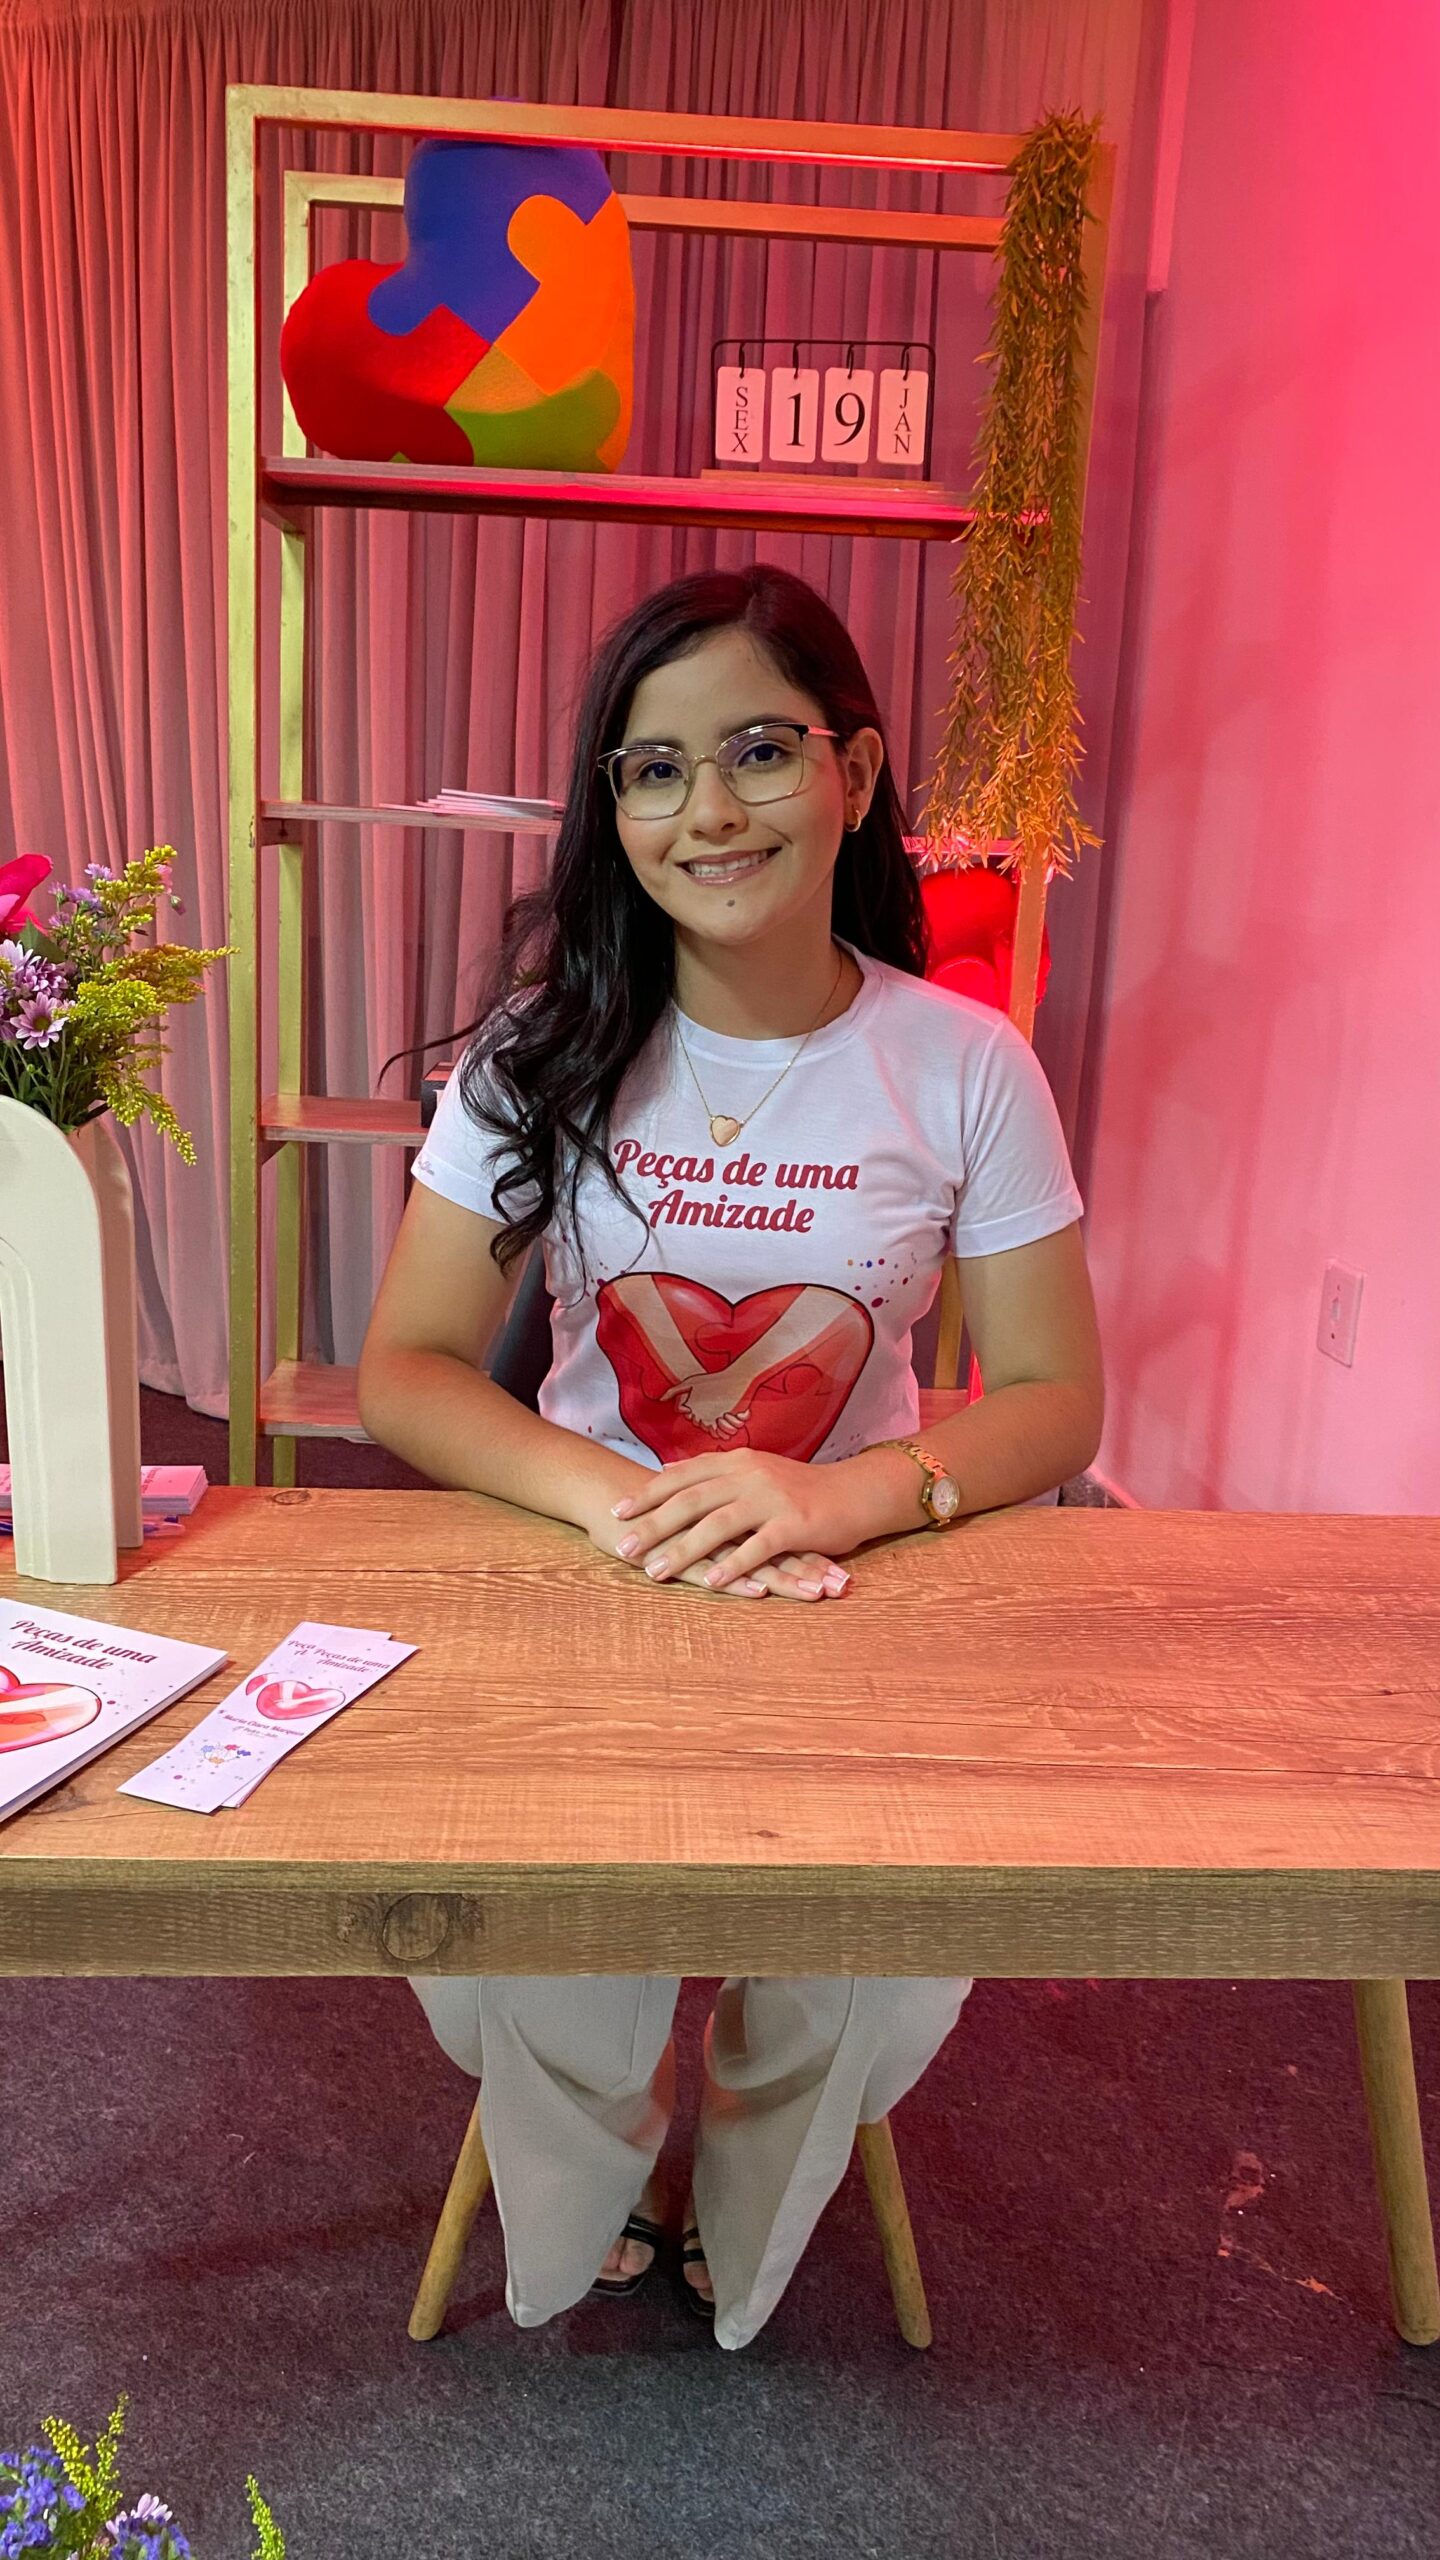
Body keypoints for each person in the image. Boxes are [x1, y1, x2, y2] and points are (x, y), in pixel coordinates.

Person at [357, 563, 1104, 2350]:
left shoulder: (965, 1064)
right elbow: (408, 1367)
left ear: (855, 773)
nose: (708, 810)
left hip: (859, 1591)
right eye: (653, 768)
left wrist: (834, 1496)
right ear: (612, 809)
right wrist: (625, 1503)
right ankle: (597, 2188)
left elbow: (1053, 1396)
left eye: (759, 751)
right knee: (509, 1947)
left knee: (885, 1972)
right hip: (588, 1575)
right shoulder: (542, 1054)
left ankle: (747, 2208)